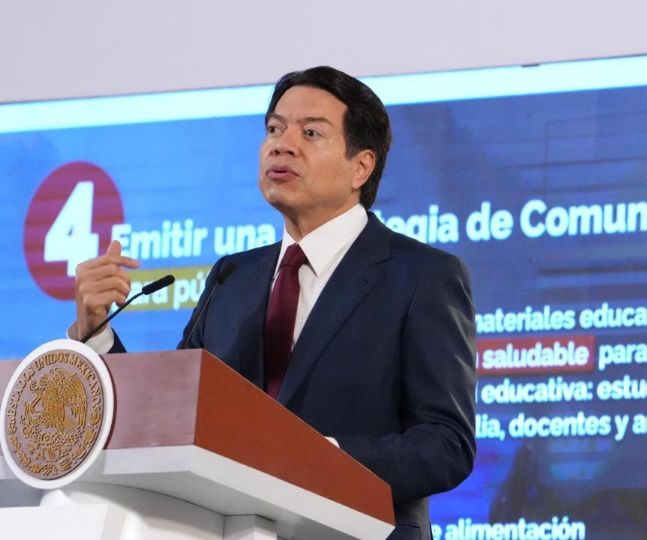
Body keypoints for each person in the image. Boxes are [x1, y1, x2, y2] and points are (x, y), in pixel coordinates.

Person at [71, 66, 477, 540]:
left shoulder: (422, 277)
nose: (282, 144)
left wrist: (315, 461)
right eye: (274, 129)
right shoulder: (232, 277)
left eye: (310, 132)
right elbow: (174, 417)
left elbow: (446, 445)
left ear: (360, 166)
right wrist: (96, 334)